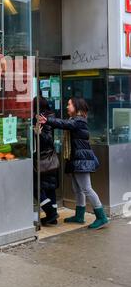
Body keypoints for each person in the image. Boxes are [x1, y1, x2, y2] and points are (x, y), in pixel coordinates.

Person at [38, 97, 109, 230]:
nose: (67, 107)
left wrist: (48, 120)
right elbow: (66, 124)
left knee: (87, 188)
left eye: (69, 104)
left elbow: (65, 124)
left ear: (76, 107)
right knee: (78, 189)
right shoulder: (74, 120)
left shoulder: (79, 121)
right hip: (76, 159)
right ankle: (79, 216)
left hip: (82, 160)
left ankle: (101, 217)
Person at [33, 96, 59, 226]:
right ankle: (52, 218)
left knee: (36, 187)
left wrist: (38, 133)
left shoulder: (43, 119)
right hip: (49, 157)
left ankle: (51, 212)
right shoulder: (50, 116)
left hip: (44, 157)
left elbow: (48, 139)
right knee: (50, 187)